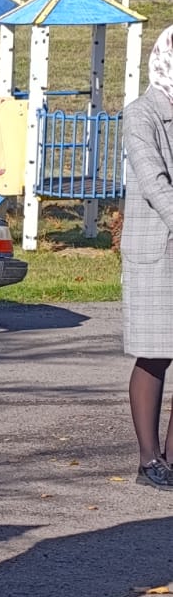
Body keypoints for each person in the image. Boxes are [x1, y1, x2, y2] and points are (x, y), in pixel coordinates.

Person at [121, 27, 173, 487]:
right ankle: (148, 459)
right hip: (155, 252)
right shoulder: (140, 114)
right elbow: (154, 181)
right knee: (155, 355)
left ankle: (172, 460)